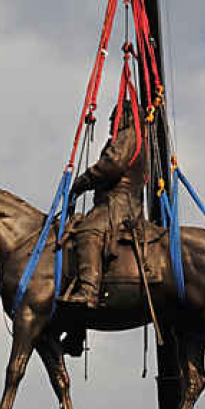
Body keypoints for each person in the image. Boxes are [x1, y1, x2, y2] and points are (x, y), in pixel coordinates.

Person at [64, 100, 148, 310]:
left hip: (117, 203)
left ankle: (88, 290)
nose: (111, 122)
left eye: (114, 117)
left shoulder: (129, 136)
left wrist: (81, 182)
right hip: (122, 201)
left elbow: (111, 166)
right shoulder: (137, 139)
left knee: (87, 231)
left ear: (126, 117)